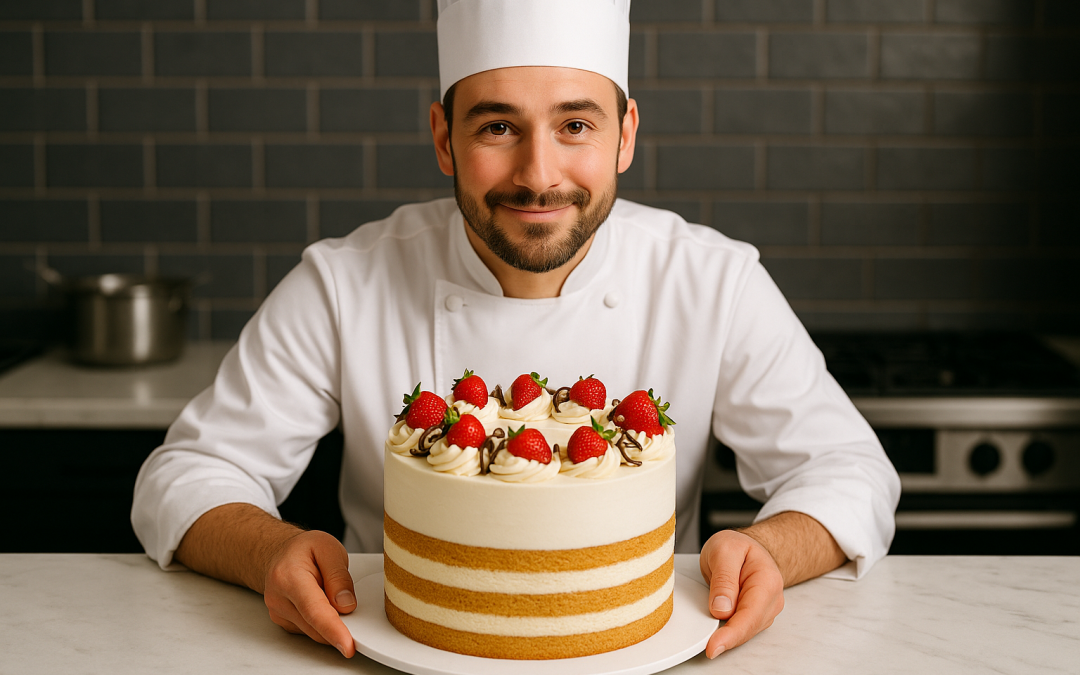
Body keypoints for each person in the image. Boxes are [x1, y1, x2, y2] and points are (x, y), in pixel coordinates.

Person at [132, 0, 900, 662]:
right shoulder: (346, 282)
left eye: (575, 124)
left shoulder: (710, 281)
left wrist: (769, 551)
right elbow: (185, 474)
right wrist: (269, 550)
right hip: (392, 656)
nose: (538, 173)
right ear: (442, 138)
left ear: (626, 135)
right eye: (498, 125)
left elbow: (850, 472)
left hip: (645, 654)